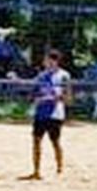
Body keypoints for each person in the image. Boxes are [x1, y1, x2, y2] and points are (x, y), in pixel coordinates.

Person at [25, 49, 71, 180]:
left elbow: (67, 96)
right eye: (45, 60)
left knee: (55, 142)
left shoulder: (63, 76)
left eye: (48, 60)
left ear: (55, 61)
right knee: (36, 141)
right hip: (40, 113)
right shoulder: (41, 76)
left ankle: (59, 167)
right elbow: (33, 91)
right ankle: (36, 170)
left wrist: (53, 98)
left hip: (55, 114)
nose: (45, 62)